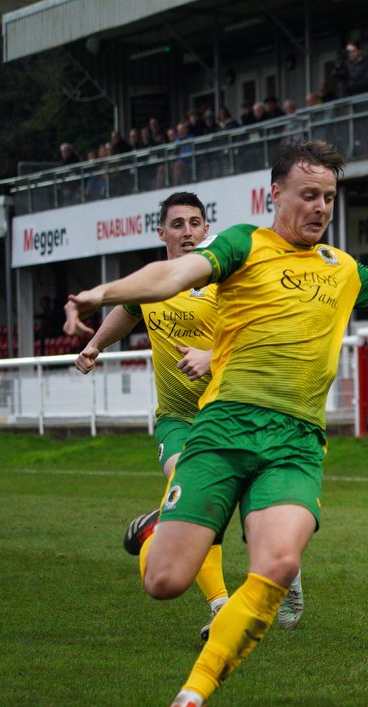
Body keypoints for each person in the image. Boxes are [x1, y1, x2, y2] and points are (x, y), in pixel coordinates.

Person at [65, 140, 368, 707]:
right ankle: (165, 525)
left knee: (280, 564)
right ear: (276, 194)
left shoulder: (343, 269)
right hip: (222, 430)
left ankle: (189, 701)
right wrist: (101, 293)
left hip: (295, 440)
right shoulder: (242, 244)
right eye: (309, 195)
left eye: (329, 198)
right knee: (165, 581)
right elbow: (171, 275)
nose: (320, 207)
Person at [64, 192, 305, 641]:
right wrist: (95, 345)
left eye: (195, 222)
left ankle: (279, 568)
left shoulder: (220, 277)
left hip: (231, 411)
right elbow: (127, 311)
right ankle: (220, 604)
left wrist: (212, 356)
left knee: (246, 508)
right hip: (176, 417)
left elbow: (261, 334)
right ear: (162, 232)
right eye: (178, 224)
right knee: (189, 488)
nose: (188, 231)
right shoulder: (153, 284)